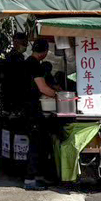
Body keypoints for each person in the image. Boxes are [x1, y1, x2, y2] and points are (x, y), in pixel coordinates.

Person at [23, 37, 57, 190]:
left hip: (25, 106)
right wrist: (59, 96)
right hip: (31, 108)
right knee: (35, 144)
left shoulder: (27, 62)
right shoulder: (34, 65)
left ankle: (37, 176)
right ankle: (30, 180)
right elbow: (43, 89)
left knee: (38, 142)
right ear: (45, 52)